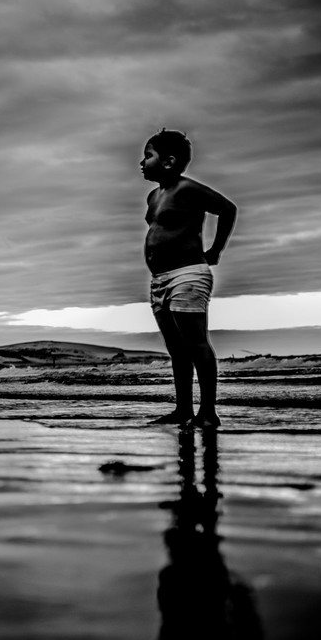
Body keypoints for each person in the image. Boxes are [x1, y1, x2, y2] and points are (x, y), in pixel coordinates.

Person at [140, 129, 237, 427]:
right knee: (176, 349)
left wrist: (216, 250)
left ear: (169, 161)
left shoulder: (187, 189)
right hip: (159, 280)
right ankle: (183, 410)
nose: (142, 162)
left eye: (148, 155)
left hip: (188, 274)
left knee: (196, 343)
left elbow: (227, 209)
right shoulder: (153, 195)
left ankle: (208, 412)